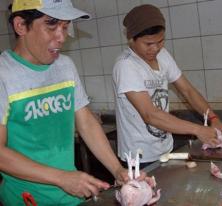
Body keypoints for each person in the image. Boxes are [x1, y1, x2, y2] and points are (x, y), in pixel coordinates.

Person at [0, 0, 151, 205]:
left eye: (65, 26)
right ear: (20, 25)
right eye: (51, 25)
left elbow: (86, 122)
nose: (62, 37)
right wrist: (61, 178)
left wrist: (117, 169)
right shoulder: (4, 74)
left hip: (71, 198)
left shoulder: (65, 66)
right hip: (27, 199)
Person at [113, 4, 222, 168]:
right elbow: (149, 114)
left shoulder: (163, 55)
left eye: (160, 42)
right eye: (148, 43)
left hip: (165, 149)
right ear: (131, 39)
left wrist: (213, 118)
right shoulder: (126, 66)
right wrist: (198, 130)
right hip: (139, 158)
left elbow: (187, 90)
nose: (155, 48)